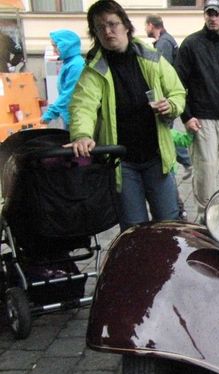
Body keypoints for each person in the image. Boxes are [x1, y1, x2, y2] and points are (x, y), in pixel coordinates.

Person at [69, 0, 186, 231]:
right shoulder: (94, 69)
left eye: (112, 24)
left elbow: (178, 92)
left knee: (169, 221)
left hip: (156, 157)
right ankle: (140, 266)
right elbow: (83, 105)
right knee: (133, 227)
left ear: (126, 26)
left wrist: (171, 105)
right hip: (122, 163)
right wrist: (82, 134)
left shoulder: (150, 58)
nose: (107, 31)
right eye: (99, 27)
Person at [174, 0, 219, 221]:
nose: (213, 18)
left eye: (217, 14)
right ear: (204, 16)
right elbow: (177, 83)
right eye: (209, 14)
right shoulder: (191, 45)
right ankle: (206, 217)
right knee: (205, 171)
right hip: (202, 119)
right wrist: (186, 117)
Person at [145, 14, 192, 181]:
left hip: (166, 98)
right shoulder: (167, 40)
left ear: (151, 25)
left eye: (146, 26)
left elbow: (157, 70)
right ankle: (184, 162)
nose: (145, 29)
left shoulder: (164, 43)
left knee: (166, 133)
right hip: (170, 97)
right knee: (168, 132)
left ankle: (181, 164)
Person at [41, 30, 85, 129]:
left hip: (77, 117)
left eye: (55, 46)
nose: (54, 50)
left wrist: (50, 114)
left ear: (65, 45)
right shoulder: (69, 62)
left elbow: (69, 93)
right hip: (71, 114)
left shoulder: (76, 65)